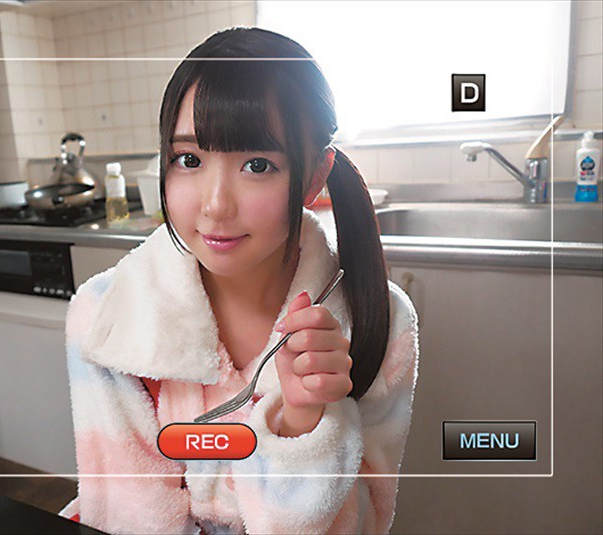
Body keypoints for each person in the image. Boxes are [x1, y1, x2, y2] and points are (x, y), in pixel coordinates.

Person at [59, 27, 419, 534]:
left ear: (315, 176)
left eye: (257, 164)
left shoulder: (381, 320)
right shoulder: (108, 315)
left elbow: (365, 523)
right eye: (189, 160)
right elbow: (128, 515)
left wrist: (304, 423)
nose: (214, 205)